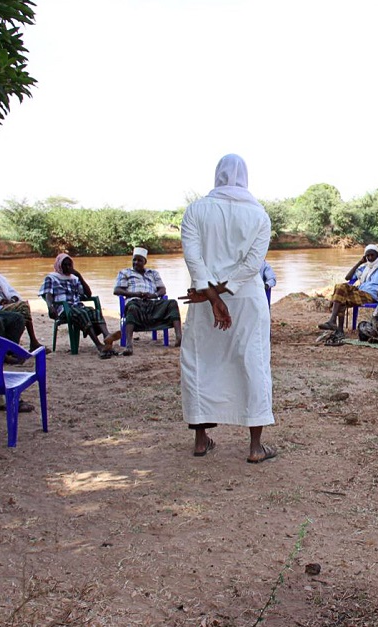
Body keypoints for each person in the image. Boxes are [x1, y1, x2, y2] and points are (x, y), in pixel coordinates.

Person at [178, 154, 275, 463]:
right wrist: (221, 293)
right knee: (253, 362)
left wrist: (212, 297)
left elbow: (194, 261)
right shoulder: (259, 215)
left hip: (204, 299)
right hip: (247, 299)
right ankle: (255, 447)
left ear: (217, 175)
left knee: (200, 363)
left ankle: (200, 440)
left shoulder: (196, 210)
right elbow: (251, 266)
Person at [39, 253, 119, 358]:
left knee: (94, 312)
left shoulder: (74, 278)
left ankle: (107, 336)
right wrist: (50, 307)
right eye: (65, 265)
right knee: (82, 313)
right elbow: (48, 294)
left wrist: (79, 275)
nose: (68, 267)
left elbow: (88, 294)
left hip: (77, 306)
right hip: (63, 309)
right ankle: (99, 345)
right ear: (59, 265)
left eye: (70, 265)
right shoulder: (51, 278)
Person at [0, 256, 48, 353]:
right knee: (24, 307)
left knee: (23, 308)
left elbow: (12, 292)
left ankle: (14, 345)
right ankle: (31, 341)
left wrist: (12, 299)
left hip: (7, 305)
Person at [113, 247, 182, 354]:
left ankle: (179, 337)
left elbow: (162, 290)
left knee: (172, 303)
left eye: (139, 260)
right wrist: (135, 294)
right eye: (134, 260)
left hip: (152, 302)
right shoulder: (125, 272)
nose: (136, 262)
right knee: (132, 307)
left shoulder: (153, 273)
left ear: (145, 262)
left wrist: (153, 295)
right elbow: (117, 290)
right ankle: (129, 344)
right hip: (135, 301)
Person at [318, 244, 378, 331]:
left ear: (377, 254)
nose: (370, 257)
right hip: (359, 291)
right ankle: (334, 323)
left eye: (372, 255)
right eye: (367, 256)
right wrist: (360, 262)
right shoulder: (365, 268)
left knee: (341, 298)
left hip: (371, 295)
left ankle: (336, 327)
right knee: (340, 287)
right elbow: (348, 277)